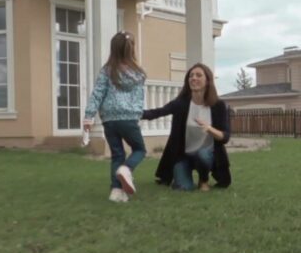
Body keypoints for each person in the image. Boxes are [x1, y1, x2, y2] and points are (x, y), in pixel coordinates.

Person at [142, 63, 231, 191]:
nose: (193, 78)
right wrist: (135, 114)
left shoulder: (218, 105)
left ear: (207, 81)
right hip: (184, 156)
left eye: (198, 75)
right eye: (191, 75)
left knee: (203, 154)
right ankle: (183, 176)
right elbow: (158, 112)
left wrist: (209, 129)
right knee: (184, 188)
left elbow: (225, 137)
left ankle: (203, 180)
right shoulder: (181, 104)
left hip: (206, 155)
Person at [83, 31, 147, 203]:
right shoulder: (139, 74)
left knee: (117, 154)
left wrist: (88, 117)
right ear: (131, 49)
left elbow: (97, 94)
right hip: (128, 118)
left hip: (109, 120)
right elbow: (139, 98)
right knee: (140, 150)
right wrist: (138, 114)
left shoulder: (107, 71)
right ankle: (126, 169)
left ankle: (116, 191)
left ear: (113, 49)